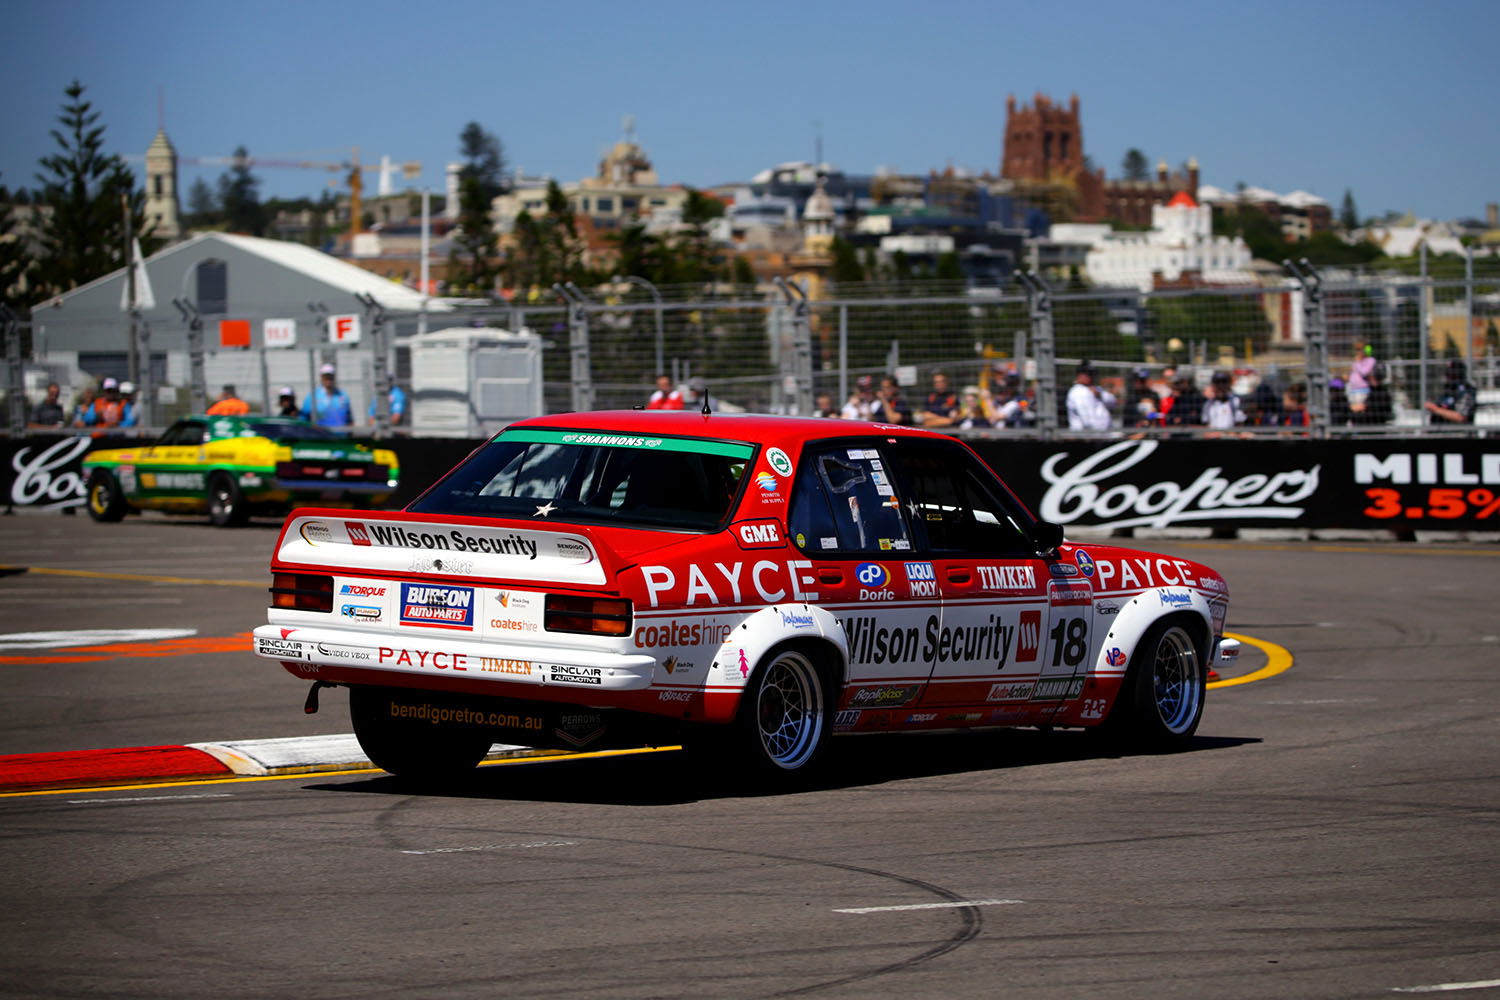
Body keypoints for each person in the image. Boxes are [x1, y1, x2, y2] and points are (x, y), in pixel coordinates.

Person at [1424, 358, 1477, 424]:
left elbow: (1461, 417)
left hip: (1456, 433)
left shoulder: (1466, 392)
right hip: (1438, 432)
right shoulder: (1448, 390)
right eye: (1447, 373)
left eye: (1451, 373)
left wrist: (1435, 409)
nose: (1447, 376)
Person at [1065, 362, 1116, 430]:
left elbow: (1113, 402)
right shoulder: (1078, 391)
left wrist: (1100, 395)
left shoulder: (1097, 389)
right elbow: (1087, 420)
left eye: (1092, 374)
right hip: (1086, 435)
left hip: (1102, 434)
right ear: (1079, 375)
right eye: (1088, 374)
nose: (1091, 377)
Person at [301, 363, 352, 428]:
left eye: (330, 376)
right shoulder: (312, 397)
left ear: (334, 377)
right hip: (320, 436)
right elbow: (303, 418)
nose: (328, 379)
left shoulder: (343, 396)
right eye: (326, 376)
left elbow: (349, 419)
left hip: (341, 436)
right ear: (321, 377)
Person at [1346, 341, 1377, 416]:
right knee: (1352, 409)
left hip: (1362, 389)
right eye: (1356, 350)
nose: (1358, 352)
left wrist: (1358, 362)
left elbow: (1364, 372)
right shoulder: (1357, 361)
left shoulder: (1370, 360)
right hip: (1352, 389)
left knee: (1359, 410)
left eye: (1359, 350)